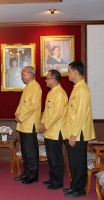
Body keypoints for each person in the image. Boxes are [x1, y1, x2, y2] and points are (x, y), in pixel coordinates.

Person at [63, 61, 95, 198]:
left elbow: (81, 114)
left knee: (78, 162)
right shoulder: (77, 88)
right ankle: (74, 186)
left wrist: (74, 134)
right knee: (74, 162)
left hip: (78, 133)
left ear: (76, 72)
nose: (68, 74)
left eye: (69, 71)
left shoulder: (83, 89)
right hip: (73, 132)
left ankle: (79, 189)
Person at [38, 69, 68, 190]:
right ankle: (53, 178)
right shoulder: (51, 92)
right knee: (51, 157)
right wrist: (42, 123)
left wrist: (46, 125)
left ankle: (58, 181)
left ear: (54, 80)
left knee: (56, 157)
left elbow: (57, 114)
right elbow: (47, 111)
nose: (45, 80)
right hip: (49, 130)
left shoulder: (60, 93)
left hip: (56, 131)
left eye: (47, 78)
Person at [14, 66, 42, 184]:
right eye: (21, 74)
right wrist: (16, 113)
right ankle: (26, 173)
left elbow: (33, 106)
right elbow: (21, 104)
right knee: (25, 151)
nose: (22, 76)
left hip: (30, 124)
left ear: (31, 74)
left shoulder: (36, 87)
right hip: (23, 124)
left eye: (23, 74)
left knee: (31, 152)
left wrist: (21, 117)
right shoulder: (27, 87)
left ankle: (33, 175)